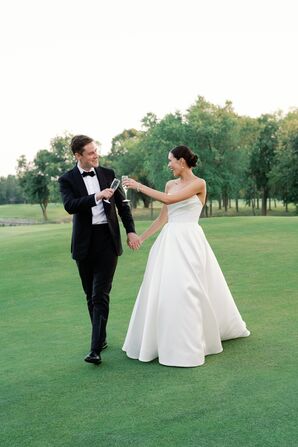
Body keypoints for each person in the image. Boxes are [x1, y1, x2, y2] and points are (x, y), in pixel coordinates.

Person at [122, 145, 250, 367]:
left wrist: (138, 186)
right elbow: (164, 217)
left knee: (189, 289)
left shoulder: (199, 183)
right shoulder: (170, 184)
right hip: (169, 242)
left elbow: (170, 201)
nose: (169, 164)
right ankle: (163, 341)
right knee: (166, 290)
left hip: (190, 241)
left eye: (171, 160)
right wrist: (142, 237)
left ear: (182, 161)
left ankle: (191, 344)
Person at [59, 135, 140, 365]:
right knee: (89, 295)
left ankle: (94, 349)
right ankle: (101, 338)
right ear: (78, 155)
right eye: (91, 153)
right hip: (84, 243)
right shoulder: (67, 179)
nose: (96, 155)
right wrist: (96, 196)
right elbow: (69, 206)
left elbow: (122, 205)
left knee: (99, 294)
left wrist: (130, 231)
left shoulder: (108, 173)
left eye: (96, 151)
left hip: (107, 240)